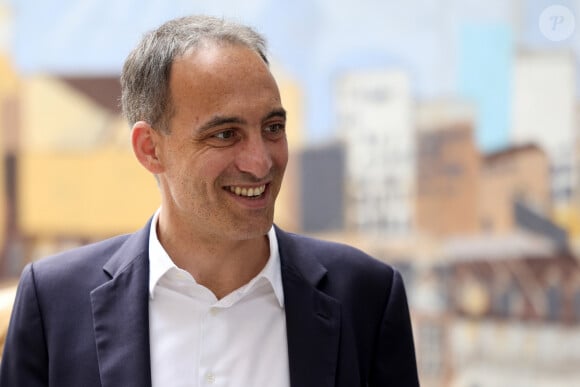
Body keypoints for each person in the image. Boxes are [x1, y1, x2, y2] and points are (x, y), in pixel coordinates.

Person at [0, 15, 419, 387]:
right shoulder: (54, 303)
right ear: (150, 149)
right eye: (225, 134)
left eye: (273, 127)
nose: (260, 162)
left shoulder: (366, 296)